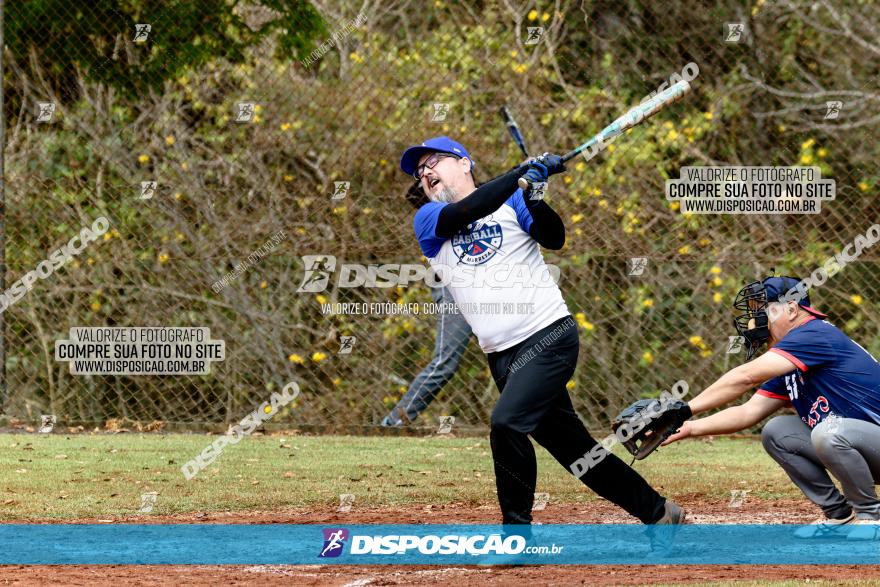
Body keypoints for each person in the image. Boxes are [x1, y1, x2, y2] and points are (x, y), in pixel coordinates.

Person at [399, 135, 686, 532]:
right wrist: (520, 174)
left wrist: (533, 196)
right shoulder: (429, 219)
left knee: (506, 424)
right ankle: (659, 512)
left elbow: (554, 237)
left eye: (433, 162)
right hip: (502, 356)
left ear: (465, 163)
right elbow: (469, 209)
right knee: (577, 453)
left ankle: (516, 536)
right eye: (420, 171)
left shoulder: (513, 200)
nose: (425, 173)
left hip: (548, 337)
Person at [663, 276, 880, 540]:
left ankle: (871, 515)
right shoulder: (793, 359)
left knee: (827, 431)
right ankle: (839, 514)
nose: (755, 321)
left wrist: (685, 408)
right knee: (776, 431)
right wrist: (688, 427)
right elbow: (747, 412)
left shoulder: (814, 334)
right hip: (858, 446)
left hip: (865, 442)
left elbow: (745, 377)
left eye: (765, 310)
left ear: (791, 309)